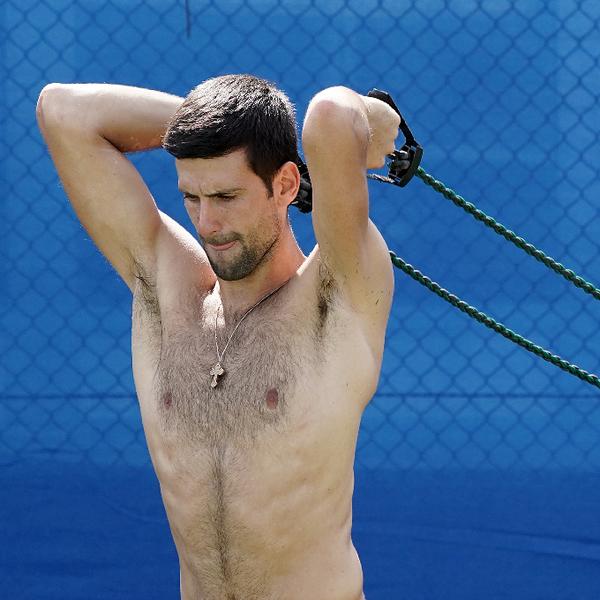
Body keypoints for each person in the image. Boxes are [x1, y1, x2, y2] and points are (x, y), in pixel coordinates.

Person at [36, 74, 399, 600]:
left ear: (286, 185)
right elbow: (64, 111)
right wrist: (222, 125)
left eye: (226, 196)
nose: (207, 223)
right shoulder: (165, 290)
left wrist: (370, 117)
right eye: (191, 197)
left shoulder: (336, 292)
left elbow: (330, 118)